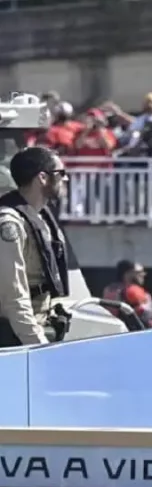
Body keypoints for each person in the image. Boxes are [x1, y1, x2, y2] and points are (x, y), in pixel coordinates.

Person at [0, 147, 70, 347]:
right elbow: (14, 297)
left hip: (40, 323)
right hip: (16, 336)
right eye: (61, 173)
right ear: (42, 178)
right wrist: (39, 346)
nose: (65, 179)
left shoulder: (41, 217)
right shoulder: (10, 224)